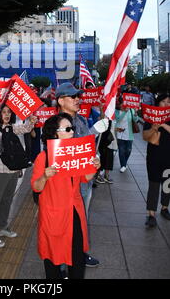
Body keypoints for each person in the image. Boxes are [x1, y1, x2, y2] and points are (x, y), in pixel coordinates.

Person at [31, 113, 101, 279]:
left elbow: (86, 178)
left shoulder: (75, 153)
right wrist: (45, 176)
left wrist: (95, 166)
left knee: (77, 258)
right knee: (53, 260)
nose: (72, 132)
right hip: (54, 215)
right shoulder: (44, 157)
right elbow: (36, 186)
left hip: (75, 211)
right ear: (55, 133)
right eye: (68, 129)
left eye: (73, 129)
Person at [55, 82, 109, 267]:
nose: (78, 99)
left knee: (81, 220)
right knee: (64, 224)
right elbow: (52, 155)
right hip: (64, 184)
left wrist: (96, 157)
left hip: (84, 180)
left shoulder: (82, 121)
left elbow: (89, 145)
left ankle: (79, 252)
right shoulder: (55, 125)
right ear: (61, 101)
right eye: (73, 97)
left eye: (78, 96)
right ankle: (62, 263)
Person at [0, 105, 36, 249]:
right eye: (3, 112)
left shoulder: (11, 128)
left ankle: (3, 227)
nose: (7, 114)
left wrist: (32, 121)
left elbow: (25, 128)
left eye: (9, 112)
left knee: (7, 200)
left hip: (12, 171)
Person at [143, 93, 170, 228]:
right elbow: (145, 136)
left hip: (169, 156)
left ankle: (164, 208)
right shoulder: (150, 117)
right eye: (163, 102)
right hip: (154, 156)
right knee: (153, 184)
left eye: (169, 102)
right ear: (158, 103)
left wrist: (164, 124)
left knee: (167, 184)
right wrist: (154, 127)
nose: (166, 105)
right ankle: (151, 214)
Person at [115, 97, 139, 172]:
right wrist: (125, 111)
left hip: (129, 134)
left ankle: (124, 163)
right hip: (120, 133)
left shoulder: (131, 110)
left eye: (124, 103)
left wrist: (135, 112)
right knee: (121, 150)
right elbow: (118, 119)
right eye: (122, 103)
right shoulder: (117, 111)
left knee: (128, 150)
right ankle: (123, 165)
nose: (123, 105)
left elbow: (136, 120)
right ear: (120, 104)